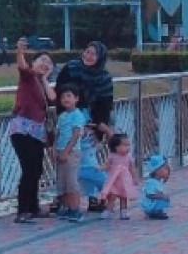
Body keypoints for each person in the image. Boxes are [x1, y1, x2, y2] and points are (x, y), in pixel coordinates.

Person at [9, 38, 55, 224]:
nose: (45, 64)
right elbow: (22, 67)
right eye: (42, 60)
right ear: (33, 62)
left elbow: (53, 98)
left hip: (37, 132)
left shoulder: (40, 82)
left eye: (49, 63)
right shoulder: (28, 76)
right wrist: (20, 51)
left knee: (36, 169)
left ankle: (33, 207)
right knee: (28, 169)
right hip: (23, 130)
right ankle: (22, 210)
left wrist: (44, 78)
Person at [56, 41, 115, 131]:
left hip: (93, 122)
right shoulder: (71, 67)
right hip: (68, 117)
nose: (88, 56)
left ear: (100, 58)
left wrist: (100, 126)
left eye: (93, 54)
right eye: (87, 52)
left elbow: (105, 106)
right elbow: (59, 90)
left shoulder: (104, 78)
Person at [53, 86, 85, 222]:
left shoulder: (78, 115)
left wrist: (66, 152)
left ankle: (75, 209)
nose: (65, 99)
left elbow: (76, 135)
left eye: (68, 96)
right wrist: (54, 149)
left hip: (72, 152)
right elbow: (58, 134)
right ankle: (66, 207)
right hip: (60, 151)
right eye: (63, 97)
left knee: (71, 181)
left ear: (76, 99)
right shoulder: (62, 116)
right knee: (62, 181)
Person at [99, 134, 140, 220]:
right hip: (114, 180)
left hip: (124, 180)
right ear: (116, 147)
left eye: (128, 145)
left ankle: (123, 212)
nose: (128, 147)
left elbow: (132, 168)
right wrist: (102, 168)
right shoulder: (112, 155)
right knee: (112, 196)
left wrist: (135, 178)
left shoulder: (129, 157)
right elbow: (107, 165)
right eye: (125, 145)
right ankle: (109, 210)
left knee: (123, 196)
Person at [140, 155, 171, 220]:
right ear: (157, 171)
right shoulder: (151, 182)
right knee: (163, 199)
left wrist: (166, 177)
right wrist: (161, 196)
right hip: (149, 204)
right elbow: (149, 195)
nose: (167, 172)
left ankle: (158, 211)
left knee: (164, 198)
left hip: (153, 203)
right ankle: (154, 212)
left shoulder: (158, 181)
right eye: (165, 169)